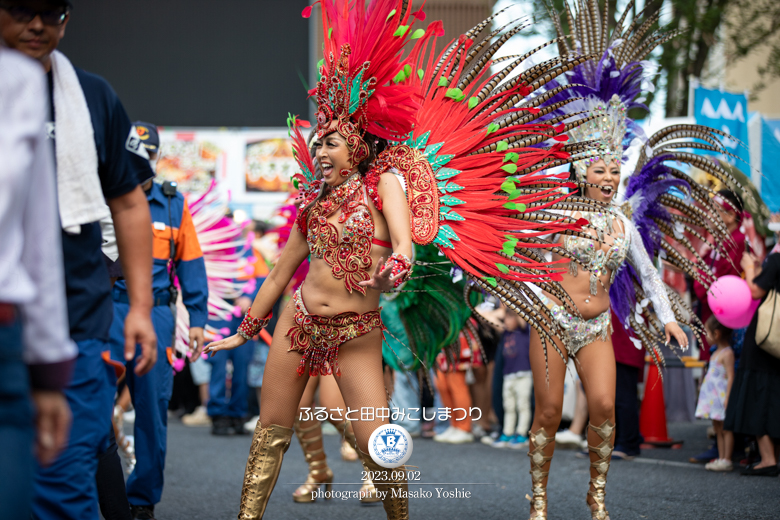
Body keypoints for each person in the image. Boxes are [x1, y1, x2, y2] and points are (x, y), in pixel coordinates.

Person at [205, 2, 627, 518]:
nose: (320, 152)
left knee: (378, 440)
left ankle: (398, 514)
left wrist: (398, 266)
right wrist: (245, 329)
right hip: (298, 321)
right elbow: (279, 270)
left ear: (356, 146)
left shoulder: (385, 184)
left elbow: (404, 245)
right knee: (272, 431)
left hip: (357, 330)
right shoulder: (312, 201)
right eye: (317, 144)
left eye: (330, 143)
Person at [525, 3, 747, 518]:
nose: (608, 177)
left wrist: (669, 318)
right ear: (582, 172)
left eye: (613, 169)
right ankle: (538, 495)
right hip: (552, 321)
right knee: (550, 411)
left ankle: (596, 494)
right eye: (599, 169)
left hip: (597, 324)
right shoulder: (553, 211)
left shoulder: (623, 223)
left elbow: (647, 274)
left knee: (604, 409)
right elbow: (523, 260)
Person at [1, 2, 159, 518]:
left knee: (63, 479)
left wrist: (140, 307)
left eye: (53, 12)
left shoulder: (90, 96)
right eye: (20, 9)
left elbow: (130, 201)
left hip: (73, 318)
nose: (39, 25)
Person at [107, 122, 208, 519]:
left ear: (156, 158)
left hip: (158, 315)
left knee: (152, 408)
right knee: (94, 404)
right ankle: (101, 491)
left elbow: (192, 263)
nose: (139, 164)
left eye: (147, 157)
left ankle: (141, 499)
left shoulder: (172, 202)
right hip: (108, 310)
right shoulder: (103, 197)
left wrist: (196, 317)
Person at [0, 44, 76, 520]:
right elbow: (38, 246)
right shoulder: (17, 79)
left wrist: (48, 372)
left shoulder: (19, 79)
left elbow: (39, 242)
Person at [724, 251, 780, 476]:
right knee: (774, 400)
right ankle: (774, 457)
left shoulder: (776, 260)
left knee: (759, 401)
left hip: (764, 343)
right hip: (776, 344)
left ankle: (767, 459)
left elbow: (756, 290)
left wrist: (748, 267)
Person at [693, 190, 746, 361]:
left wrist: (695, 272)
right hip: (711, 321)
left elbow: (721, 286)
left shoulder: (738, 242)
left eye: (714, 210)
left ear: (731, 216)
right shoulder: (720, 242)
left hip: (724, 326)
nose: (708, 214)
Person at [695, 315, 735, 472]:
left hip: (722, 396)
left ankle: (727, 459)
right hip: (714, 397)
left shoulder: (727, 353)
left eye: (707, 332)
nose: (705, 336)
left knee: (726, 428)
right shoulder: (715, 352)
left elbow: (731, 376)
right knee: (718, 428)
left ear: (717, 334)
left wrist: (729, 397)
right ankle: (721, 457)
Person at [490, 311, 532, 449]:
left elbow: (521, 315)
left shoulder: (525, 331)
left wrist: (513, 299)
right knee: (509, 406)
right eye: (506, 318)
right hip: (508, 375)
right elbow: (492, 319)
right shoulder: (506, 333)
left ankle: (521, 433)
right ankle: (507, 432)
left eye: (510, 318)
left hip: (523, 374)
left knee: (523, 405)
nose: (506, 321)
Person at [433, 329, 481, 444]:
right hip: (442, 341)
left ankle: (464, 427)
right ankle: (454, 424)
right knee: (442, 386)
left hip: (457, 336)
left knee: (457, 386)